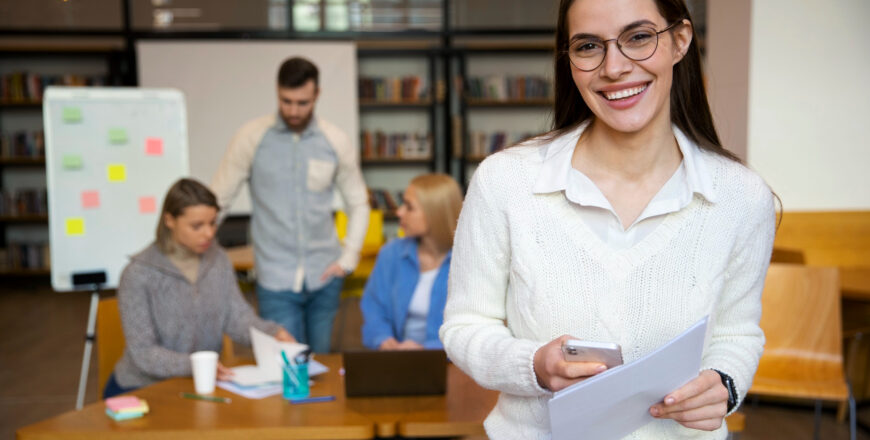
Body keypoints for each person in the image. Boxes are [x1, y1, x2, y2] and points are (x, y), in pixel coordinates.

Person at [439, 0, 776, 438]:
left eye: (638, 37)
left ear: (680, 41)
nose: (614, 68)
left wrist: (724, 385)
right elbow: (466, 326)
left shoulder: (742, 197)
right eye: (588, 46)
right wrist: (535, 366)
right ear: (569, 59)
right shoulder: (506, 182)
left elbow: (737, 334)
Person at [211, 57, 370, 353]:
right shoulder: (251, 137)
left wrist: (348, 258)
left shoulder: (334, 140)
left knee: (321, 367)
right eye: (286, 101)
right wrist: (200, 248)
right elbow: (219, 199)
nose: (293, 111)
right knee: (286, 368)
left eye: (302, 102)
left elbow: (358, 202)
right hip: (275, 279)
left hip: (325, 277)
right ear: (277, 91)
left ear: (316, 95)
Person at [105, 178, 294, 399]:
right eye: (197, 226)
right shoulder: (138, 274)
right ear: (169, 220)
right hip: (142, 389)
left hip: (203, 384)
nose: (209, 234)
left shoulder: (218, 260)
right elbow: (143, 353)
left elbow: (237, 317)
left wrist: (272, 334)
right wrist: (196, 366)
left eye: (213, 223)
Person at [360, 174, 463, 350]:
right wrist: (382, 339)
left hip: (450, 366)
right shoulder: (391, 253)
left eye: (409, 207)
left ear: (435, 213)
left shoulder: (467, 262)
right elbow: (373, 310)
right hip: (397, 361)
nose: (399, 212)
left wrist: (426, 350)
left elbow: (470, 332)